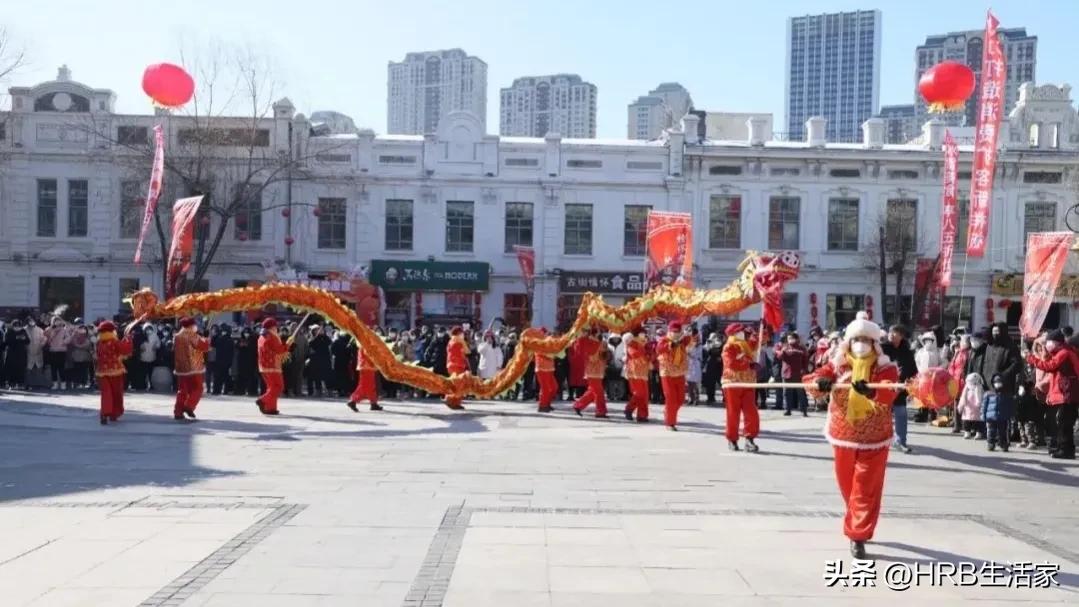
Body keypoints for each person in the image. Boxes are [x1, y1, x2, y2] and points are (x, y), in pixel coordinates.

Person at [803, 311, 899, 560]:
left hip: (875, 438)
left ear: (875, 344)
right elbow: (816, 377)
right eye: (857, 339)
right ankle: (859, 518)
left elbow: (890, 391)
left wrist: (872, 393)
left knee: (865, 488)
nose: (861, 344)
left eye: (867, 340)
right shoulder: (838, 364)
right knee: (848, 486)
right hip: (843, 434)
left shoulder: (885, 368)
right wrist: (820, 383)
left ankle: (857, 534)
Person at [1023, 329, 1078, 459]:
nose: (1047, 345)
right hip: (1063, 393)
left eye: (1049, 342)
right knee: (1061, 422)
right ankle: (1062, 447)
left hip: (1068, 393)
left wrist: (1030, 359)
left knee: (1064, 423)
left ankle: (1066, 450)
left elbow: (1049, 366)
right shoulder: (1059, 352)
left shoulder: (1064, 353)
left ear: (1057, 342)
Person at [722, 323, 760, 452]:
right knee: (733, 412)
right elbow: (732, 364)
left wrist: (762, 329)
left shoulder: (747, 344)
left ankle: (750, 439)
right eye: (742, 331)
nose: (744, 333)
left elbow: (759, 340)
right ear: (735, 334)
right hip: (733, 383)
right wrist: (749, 365)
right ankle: (732, 439)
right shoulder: (729, 347)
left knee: (751, 412)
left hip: (748, 383)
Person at [881, 325, 916, 453]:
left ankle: (900, 441)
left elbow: (912, 370)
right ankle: (881, 440)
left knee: (901, 414)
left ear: (901, 336)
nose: (892, 335)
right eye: (891, 332)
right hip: (884, 388)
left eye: (895, 333)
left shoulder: (906, 352)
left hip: (900, 389)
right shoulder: (881, 349)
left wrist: (910, 384)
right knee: (882, 415)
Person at [95, 321, 134, 425]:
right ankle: (114, 413)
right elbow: (125, 350)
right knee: (116, 393)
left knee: (106, 394)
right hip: (116, 371)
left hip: (102, 371)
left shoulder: (99, 343)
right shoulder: (114, 341)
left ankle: (104, 412)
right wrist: (128, 339)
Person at [657, 321, 693, 431]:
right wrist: (672, 344)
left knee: (681, 399)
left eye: (678, 331)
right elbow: (659, 349)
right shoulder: (664, 340)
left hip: (680, 373)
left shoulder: (682, 340)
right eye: (674, 332)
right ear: (669, 331)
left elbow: (692, 340)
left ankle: (668, 412)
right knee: (671, 398)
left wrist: (689, 332)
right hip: (667, 373)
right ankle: (670, 423)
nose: (676, 333)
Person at [173, 317, 210, 421]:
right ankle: (189, 406)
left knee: (182, 390)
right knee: (198, 388)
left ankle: (178, 412)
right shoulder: (192, 335)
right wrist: (206, 338)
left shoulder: (177, 336)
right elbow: (204, 347)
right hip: (194, 367)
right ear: (191, 325)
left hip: (181, 368)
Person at [1018, 336, 1049, 449]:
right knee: (1022, 417)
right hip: (1024, 393)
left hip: (1037, 392)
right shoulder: (1023, 365)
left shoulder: (1039, 361)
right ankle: (1024, 439)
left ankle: (1036, 439)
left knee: (1035, 418)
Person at [572, 327, 608, 418]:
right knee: (598, 392)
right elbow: (601, 356)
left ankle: (578, 405)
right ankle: (600, 411)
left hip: (596, 371)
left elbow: (604, 357)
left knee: (593, 391)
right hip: (594, 372)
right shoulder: (590, 343)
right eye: (598, 332)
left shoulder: (595, 343)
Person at [256, 318, 290, 415]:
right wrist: (287, 345)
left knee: (271, 387)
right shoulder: (272, 336)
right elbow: (279, 350)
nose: (277, 328)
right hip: (273, 366)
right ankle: (263, 400)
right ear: (272, 327)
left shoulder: (261, 337)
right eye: (275, 326)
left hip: (263, 366)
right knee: (279, 387)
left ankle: (270, 408)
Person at [777, 331, 810, 417]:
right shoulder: (785, 348)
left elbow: (805, 360)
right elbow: (779, 357)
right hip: (786, 373)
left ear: (796, 339)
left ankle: (804, 410)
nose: (790, 340)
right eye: (788, 338)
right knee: (787, 393)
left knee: (801, 392)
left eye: (791, 338)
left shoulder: (801, 348)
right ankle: (788, 410)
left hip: (798, 374)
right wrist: (781, 351)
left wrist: (804, 370)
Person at [982, 374, 1015, 452]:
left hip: (1002, 417)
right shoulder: (988, 394)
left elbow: (1010, 406)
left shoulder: (1007, 394)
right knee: (991, 431)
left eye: (999, 382)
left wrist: (1011, 415)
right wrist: (983, 416)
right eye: (996, 382)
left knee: (1002, 432)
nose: (998, 384)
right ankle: (991, 443)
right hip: (991, 417)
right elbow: (984, 406)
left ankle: (1003, 444)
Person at [623, 327, 651, 422]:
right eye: (642, 333)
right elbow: (635, 354)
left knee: (644, 395)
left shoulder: (642, 343)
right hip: (635, 372)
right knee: (640, 394)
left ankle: (642, 415)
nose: (644, 335)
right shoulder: (632, 343)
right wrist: (646, 355)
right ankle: (629, 409)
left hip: (642, 372)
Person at [346, 344, 383, 412]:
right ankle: (353, 401)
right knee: (365, 386)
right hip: (367, 367)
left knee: (371, 385)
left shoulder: (364, 343)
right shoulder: (365, 344)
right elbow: (369, 355)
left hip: (367, 367)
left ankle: (373, 403)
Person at [444, 326, 469, 410]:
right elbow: (465, 352)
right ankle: (450, 399)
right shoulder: (458, 341)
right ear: (458, 333)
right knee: (458, 384)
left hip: (451, 365)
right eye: (461, 333)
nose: (463, 335)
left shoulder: (451, 340)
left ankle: (454, 402)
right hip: (457, 365)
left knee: (454, 383)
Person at [534, 328, 558, 413]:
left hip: (550, 368)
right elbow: (545, 354)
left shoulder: (548, 343)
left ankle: (547, 403)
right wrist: (552, 355)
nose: (546, 335)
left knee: (554, 387)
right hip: (541, 369)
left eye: (546, 333)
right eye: (544, 333)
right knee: (545, 388)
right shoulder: (537, 343)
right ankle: (542, 406)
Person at [44, 317, 71, 390]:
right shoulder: (49, 329)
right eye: (55, 321)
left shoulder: (64, 330)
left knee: (61, 368)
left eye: (58, 320)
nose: (57, 322)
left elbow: (69, 338)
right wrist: (52, 328)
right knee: (53, 369)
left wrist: (63, 342)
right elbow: (45, 335)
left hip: (61, 351)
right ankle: (55, 384)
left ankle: (63, 384)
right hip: (52, 351)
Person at [306, 325, 332, 397]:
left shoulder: (325, 338)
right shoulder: (313, 338)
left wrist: (324, 335)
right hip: (317, 360)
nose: (319, 331)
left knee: (327, 376)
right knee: (317, 376)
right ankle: (318, 391)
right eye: (316, 330)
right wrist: (317, 336)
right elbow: (311, 344)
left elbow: (329, 342)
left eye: (319, 329)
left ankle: (329, 391)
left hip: (325, 359)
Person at [957, 373, 986, 439]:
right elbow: (962, 398)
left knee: (978, 422)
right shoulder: (966, 389)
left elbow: (982, 397)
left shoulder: (979, 388)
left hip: (977, 409)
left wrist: (982, 405)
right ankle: (967, 432)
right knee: (967, 421)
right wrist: (960, 406)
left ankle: (979, 433)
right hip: (968, 409)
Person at [3, 320, 29, 389]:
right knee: (11, 369)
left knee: (20, 369)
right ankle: (11, 383)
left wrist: (23, 339)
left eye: (19, 326)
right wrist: (16, 338)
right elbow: (6, 341)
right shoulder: (9, 331)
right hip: (11, 353)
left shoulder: (23, 331)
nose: (17, 328)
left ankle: (20, 384)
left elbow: (28, 341)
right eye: (15, 326)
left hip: (21, 353)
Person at [67, 324, 94, 389]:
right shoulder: (75, 336)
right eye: (80, 329)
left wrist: (78, 346)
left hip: (85, 356)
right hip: (76, 356)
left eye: (83, 329)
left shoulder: (88, 337)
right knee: (76, 370)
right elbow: (72, 342)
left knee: (84, 370)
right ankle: (76, 383)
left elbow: (88, 345)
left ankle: (83, 383)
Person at [210, 324, 235, 396]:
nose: (223, 332)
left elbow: (231, 352)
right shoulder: (219, 338)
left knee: (225, 377)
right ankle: (217, 390)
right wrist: (214, 336)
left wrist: (230, 362)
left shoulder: (230, 340)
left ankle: (225, 390)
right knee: (218, 376)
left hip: (226, 361)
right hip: (219, 361)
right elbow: (212, 344)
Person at [702, 332, 724, 405]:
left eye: (715, 337)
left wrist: (720, 357)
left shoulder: (721, 344)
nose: (713, 338)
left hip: (719, 367)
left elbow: (721, 352)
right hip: (710, 367)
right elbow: (706, 351)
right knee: (710, 384)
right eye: (712, 337)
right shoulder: (708, 344)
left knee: (722, 383)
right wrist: (709, 344)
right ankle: (710, 398)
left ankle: (725, 398)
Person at [685, 327, 702, 406]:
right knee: (689, 382)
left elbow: (698, 353)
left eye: (691, 331)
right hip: (688, 363)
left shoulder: (698, 343)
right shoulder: (688, 341)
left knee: (695, 382)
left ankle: (696, 399)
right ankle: (690, 398)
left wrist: (690, 354)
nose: (690, 333)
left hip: (695, 362)